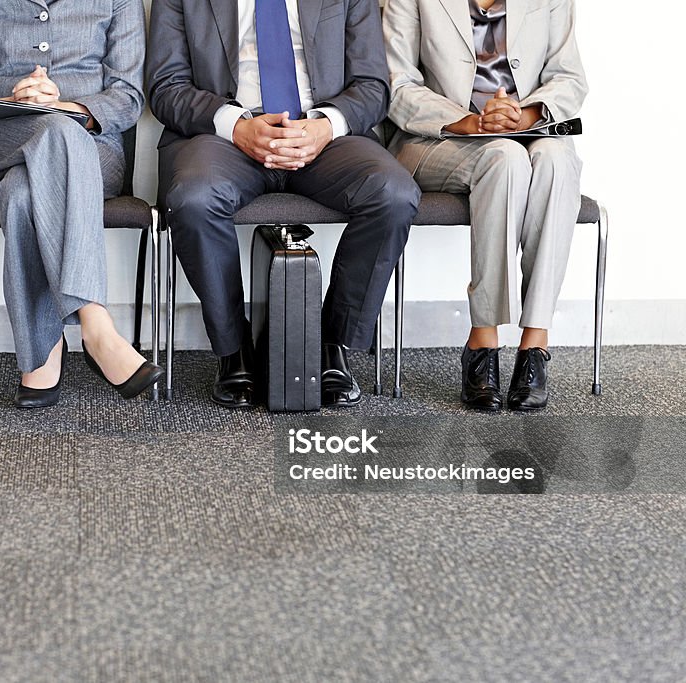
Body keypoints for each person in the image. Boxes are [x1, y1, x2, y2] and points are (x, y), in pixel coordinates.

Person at [148, 0, 420, 410]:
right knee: (194, 197)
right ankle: (233, 349)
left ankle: (330, 342)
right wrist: (235, 126)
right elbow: (165, 86)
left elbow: (373, 85)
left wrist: (325, 126)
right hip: (223, 138)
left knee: (393, 194)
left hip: (324, 138)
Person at [0, 0, 163, 408]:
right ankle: (95, 324)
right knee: (56, 133)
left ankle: (39, 354)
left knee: (23, 191)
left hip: (94, 153)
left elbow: (129, 98)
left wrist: (62, 109)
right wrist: (15, 101)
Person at [383, 0, 588, 411]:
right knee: (504, 159)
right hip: (438, 138)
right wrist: (472, 122)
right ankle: (483, 338)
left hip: (527, 130)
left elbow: (569, 78)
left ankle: (535, 341)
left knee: (557, 161)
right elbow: (397, 84)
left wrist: (526, 114)